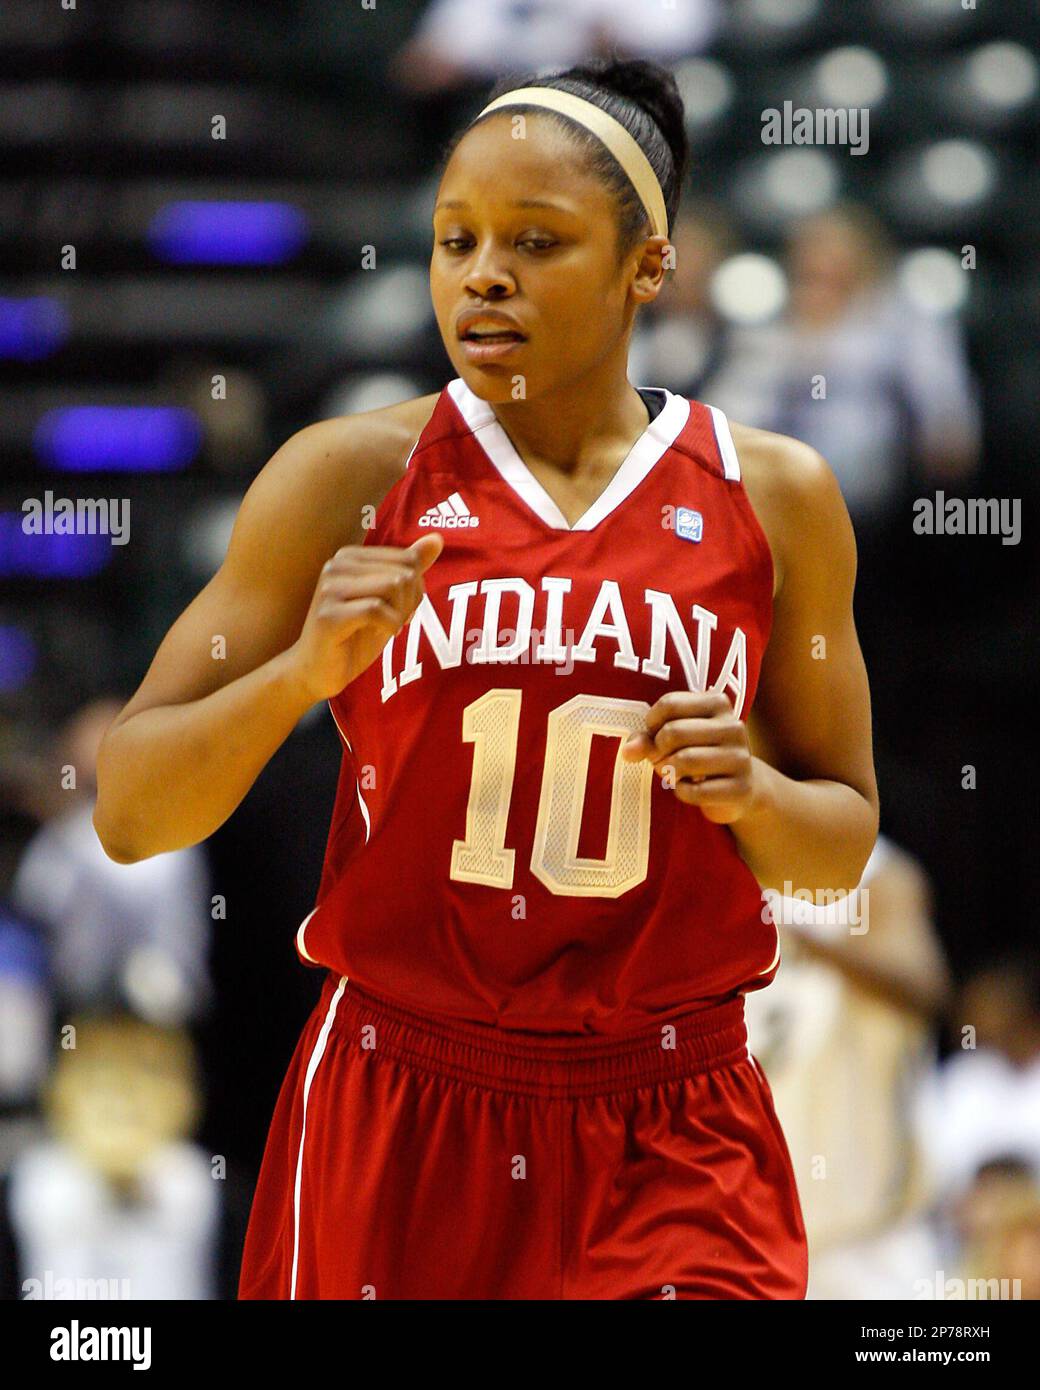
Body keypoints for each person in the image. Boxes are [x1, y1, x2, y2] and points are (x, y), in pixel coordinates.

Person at [93, 58, 878, 1300]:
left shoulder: (773, 496)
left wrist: (755, 799)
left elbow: (835, 852)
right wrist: (302, 672)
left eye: (535, 240)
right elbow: (131, 810)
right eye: (453, 240)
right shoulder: (346, 473)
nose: (482, 274)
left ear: (647, 267)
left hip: (671, 1114)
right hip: (403, 1098)